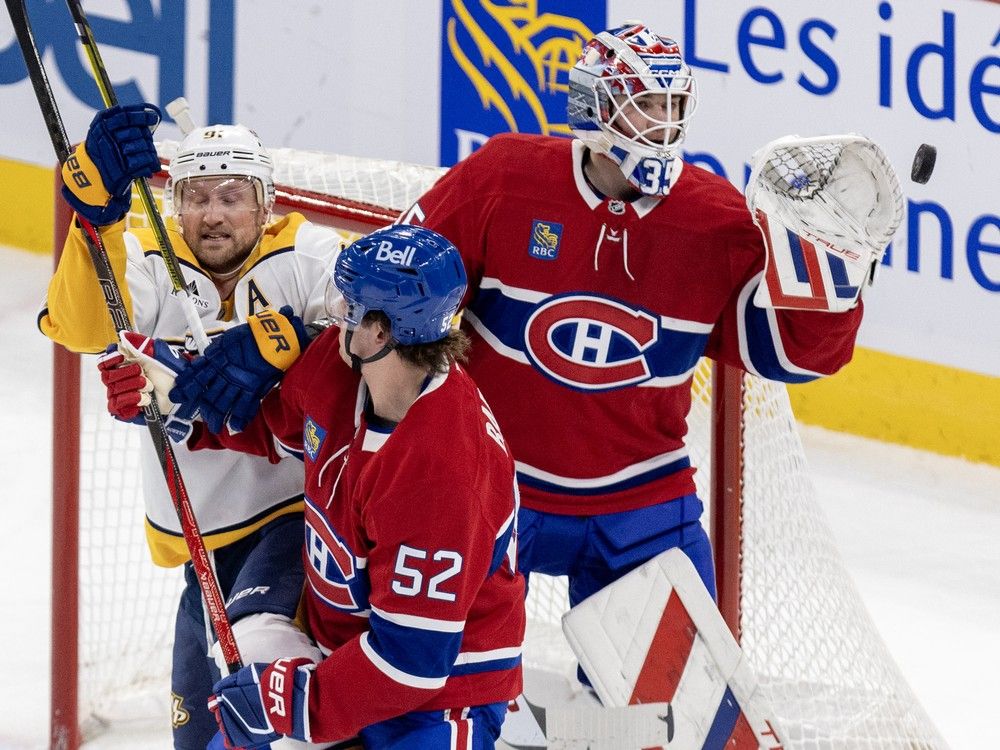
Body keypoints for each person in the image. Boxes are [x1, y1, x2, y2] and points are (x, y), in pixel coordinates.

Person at [158, 21, 880, 689]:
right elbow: (379, 289)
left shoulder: (715, 217)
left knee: (673, 710)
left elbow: (786, 358)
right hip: (496, 495)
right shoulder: (502, 178)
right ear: (595, 111)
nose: (661, 128)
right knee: (438, 690)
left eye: (671, 106)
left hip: (643, 504)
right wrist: (286, 336)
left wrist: (834, 280)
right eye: (642, 107)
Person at [40, 103, 342, 749]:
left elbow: (386, 345)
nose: (213, 213)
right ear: (174, 205)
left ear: (266, 205)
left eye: (233, 196)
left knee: (258, 696)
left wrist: (301, 337)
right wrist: (96, 220)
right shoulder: (149, 259)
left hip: (299, 516)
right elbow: (85, 330)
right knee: (200, 733)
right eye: (196, 196)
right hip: (201, 536)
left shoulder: (312, 255)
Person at [179, 225, 524, 748]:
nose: (334, 313)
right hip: (340, 654)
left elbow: (411, 660)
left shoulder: (442, 469)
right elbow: (275, 426)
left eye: (349, 304)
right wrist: (180, 402)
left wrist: (294, 702)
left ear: (380, 332)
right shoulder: (341, 367)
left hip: (442, 695)